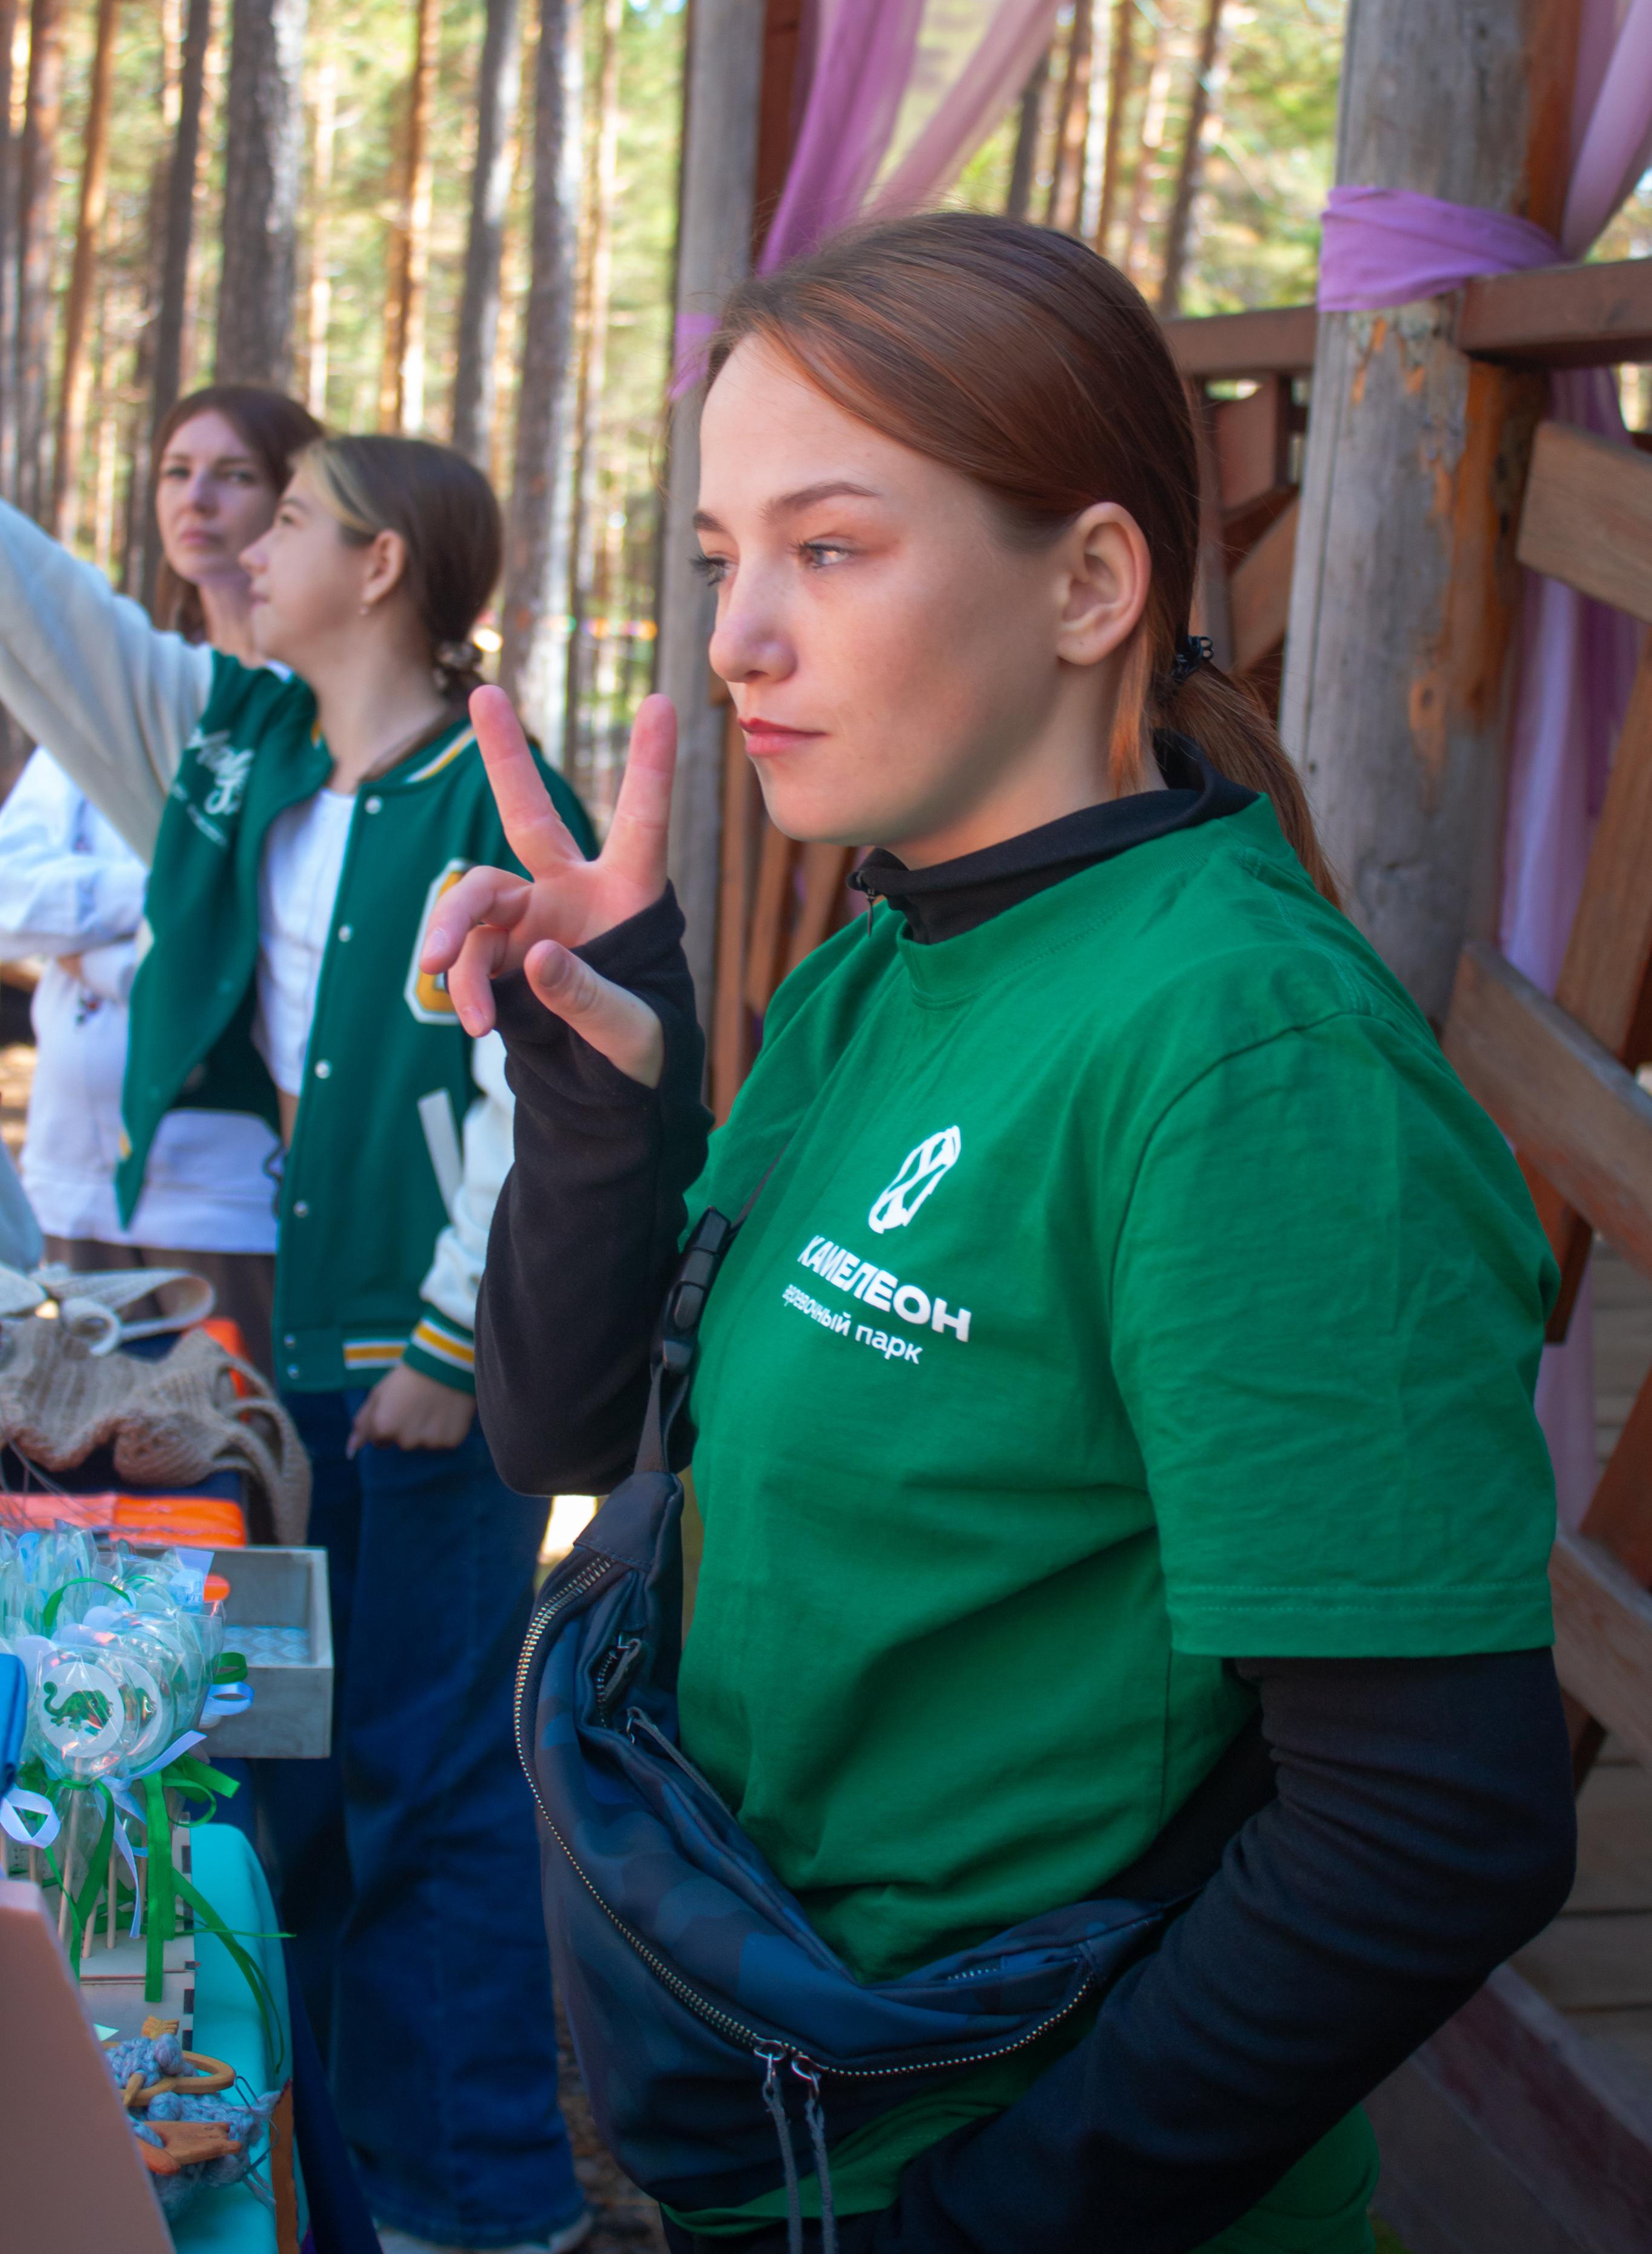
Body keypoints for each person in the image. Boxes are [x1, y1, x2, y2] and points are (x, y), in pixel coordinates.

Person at [425, 214, 1577, 2254]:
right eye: (723, 559)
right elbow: (566, 1438)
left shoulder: (1248, 1062)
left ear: (1094, 582)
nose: (738, 637)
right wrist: (601, 1084)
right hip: (776, 2121)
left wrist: (970, 2231)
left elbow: (1432, 1833)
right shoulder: (891, 969)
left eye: (833, 548)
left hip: (1009, 2184)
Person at [0, 434, 596, 2254]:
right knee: (304, 1774)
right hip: (307, 1364)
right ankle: (342, 2174)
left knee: (430, 1776)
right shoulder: (241, 751)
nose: (246, 546)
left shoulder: (486, 790)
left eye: (295, 524)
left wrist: (449, 1338)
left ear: (390, 565)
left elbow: (551, 1084)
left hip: (424, 1373)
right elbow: (57, 628)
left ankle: (488, 2203)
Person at [0, 386, 321, 1374]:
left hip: (225, 1186)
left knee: (227, 1470)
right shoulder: (120, 695)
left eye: (234, 475)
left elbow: (282, 937)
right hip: (69, 1168)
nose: (200, 500)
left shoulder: (309, 713)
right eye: (179, 473)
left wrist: (101, 930)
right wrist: (174, 899)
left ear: (291, 500)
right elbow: (10, 898)